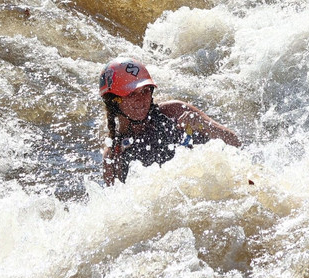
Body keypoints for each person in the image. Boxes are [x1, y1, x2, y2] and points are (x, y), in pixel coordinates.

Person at [98, 56, 240, 185]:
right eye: (131, 94)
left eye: (145, 91)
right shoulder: (113, 155)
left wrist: (204, 126)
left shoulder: (175, 112)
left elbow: (235, 142)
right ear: (113, 102)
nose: (141, 100)